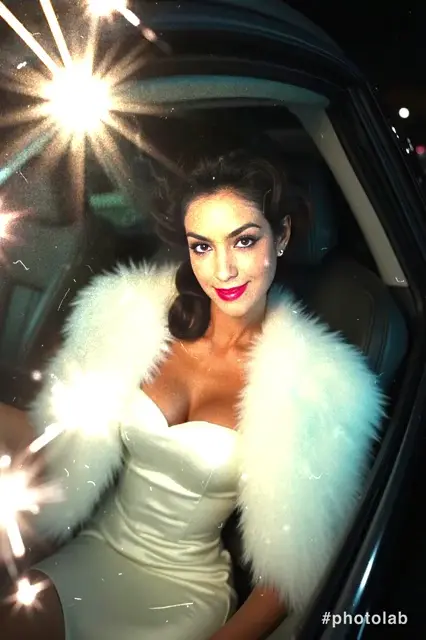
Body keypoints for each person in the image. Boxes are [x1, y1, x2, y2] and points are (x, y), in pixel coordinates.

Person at [1, 150, 384, 640]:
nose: (223, 270)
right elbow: (55, 437)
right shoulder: (129, 320)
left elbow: (289, 575)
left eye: (244, 241)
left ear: (282, 235)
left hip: (186, 590)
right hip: (93, 550)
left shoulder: (317, 386)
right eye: (202, 246)